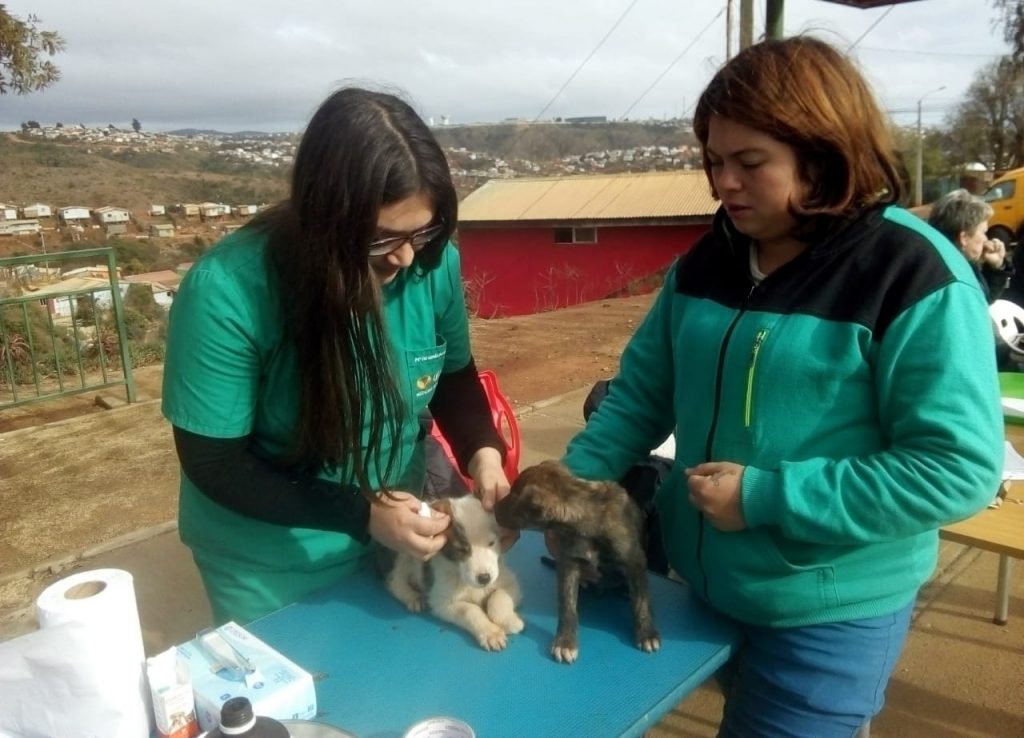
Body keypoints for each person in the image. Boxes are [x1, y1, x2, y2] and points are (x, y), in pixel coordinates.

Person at [556, 37, 1002, 737]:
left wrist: (768, 497)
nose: (722, 183)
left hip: (831, 612)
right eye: (713, 160)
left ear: (822, 157)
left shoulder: (909, 274)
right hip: (701, 585)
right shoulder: (709, 260)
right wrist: (568, 491)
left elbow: (957, 467)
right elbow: (639, 398)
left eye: (749, 163)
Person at [162, 87, 511, 625]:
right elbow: (215, 462)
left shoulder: (429, 265)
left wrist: (481, 450)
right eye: (380, 239)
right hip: (275, 558)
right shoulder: (228, 291)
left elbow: (451, 377)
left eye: (424, 230)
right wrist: (360, 512)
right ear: (326, 225)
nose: (405, 254)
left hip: (400, 537)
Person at [927, 188, 1012, 303]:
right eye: (983, 232)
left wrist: (996, 267)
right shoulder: (954, 281)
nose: (986, 240)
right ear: (964, 238)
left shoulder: (950, 262)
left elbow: (983, 300)